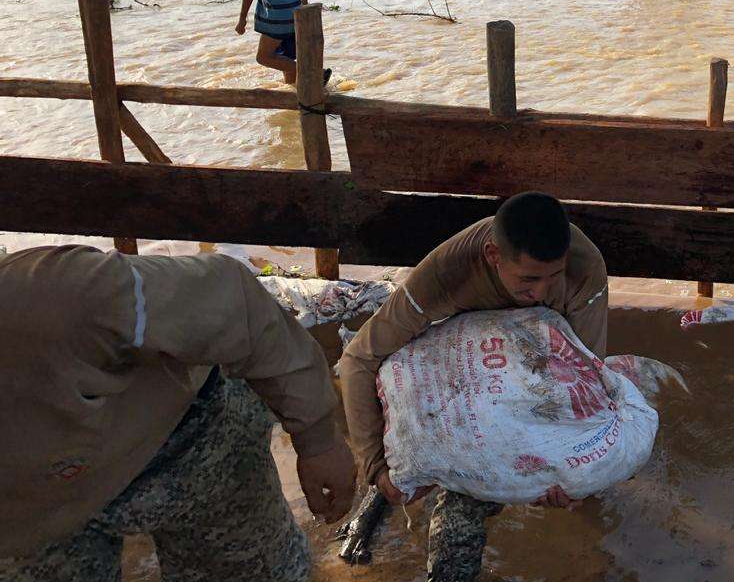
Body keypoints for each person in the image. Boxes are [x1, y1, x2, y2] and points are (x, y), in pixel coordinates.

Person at [0, 245, 356, 582]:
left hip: (189, 440)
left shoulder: (53, 298)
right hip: (33, 517)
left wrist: (318, 437)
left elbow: (232, 301)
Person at [339, 192, 608, 582]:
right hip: (460, 367)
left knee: (584, 486)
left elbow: (588, 382)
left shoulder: (585, 270)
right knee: (455, 521)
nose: (545, 292)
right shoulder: (447, 273)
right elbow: (359, 359)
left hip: (539, 362)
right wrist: (374, 465)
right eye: (530, 279)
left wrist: (576, 476)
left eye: (554, 276)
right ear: (493, 256)